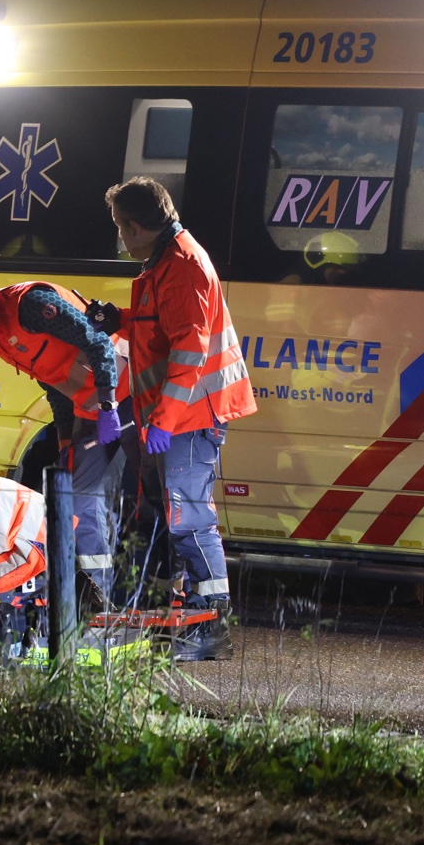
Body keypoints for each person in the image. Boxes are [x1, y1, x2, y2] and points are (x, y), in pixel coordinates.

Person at [96, 176, 255, 661]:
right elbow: (162, 330)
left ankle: (212, 626)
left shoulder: (181, 266)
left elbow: (188, 350)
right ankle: (169, 616)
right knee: (161, 519)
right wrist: (119, 320)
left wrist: (163, 420)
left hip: (189, 415)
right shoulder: (164, 262)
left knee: (188, 519)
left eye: (122, 227)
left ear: (139, 226)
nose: (121, 235)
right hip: (172, 416)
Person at [0, 278, 131, 604]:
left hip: (133, 392)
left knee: (144, 502)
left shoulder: (27, 306)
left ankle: (167, 603)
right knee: (79, 507)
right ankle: (102, 604)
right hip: (94, 410)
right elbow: (55, 384)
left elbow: (98, 343)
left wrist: (108, 404)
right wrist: (65, 442)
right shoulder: (1, 339)